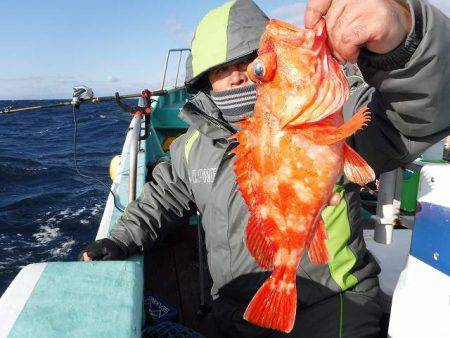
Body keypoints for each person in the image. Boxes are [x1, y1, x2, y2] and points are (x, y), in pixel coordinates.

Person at [82, 0, 450, 336]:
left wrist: (405, 34)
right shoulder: (191, 147)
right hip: (232, 308)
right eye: (223, 69)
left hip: (335, 304)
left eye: (251, 62)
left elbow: (417, 114)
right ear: (205, 82)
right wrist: (120, 238)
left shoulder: (331, 115)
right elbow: (162, 197)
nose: (240, 75)